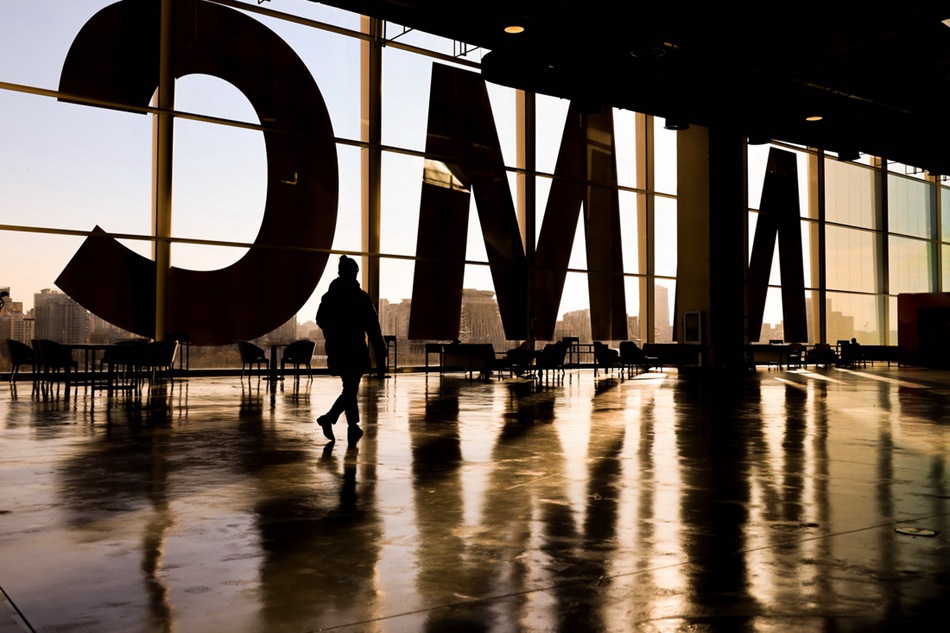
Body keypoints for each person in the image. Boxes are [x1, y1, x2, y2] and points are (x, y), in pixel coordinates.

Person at [316, 255, 387, 445]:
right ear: (354, 273)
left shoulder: (330, 297)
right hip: (355, 349)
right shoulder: (360, 298)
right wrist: (380, 348)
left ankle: (346, 424)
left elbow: (321, 320)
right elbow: (373, 326)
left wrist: (334, 332)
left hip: (337, 349)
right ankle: (338, 422)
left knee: (350, 388)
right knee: (350, 388)